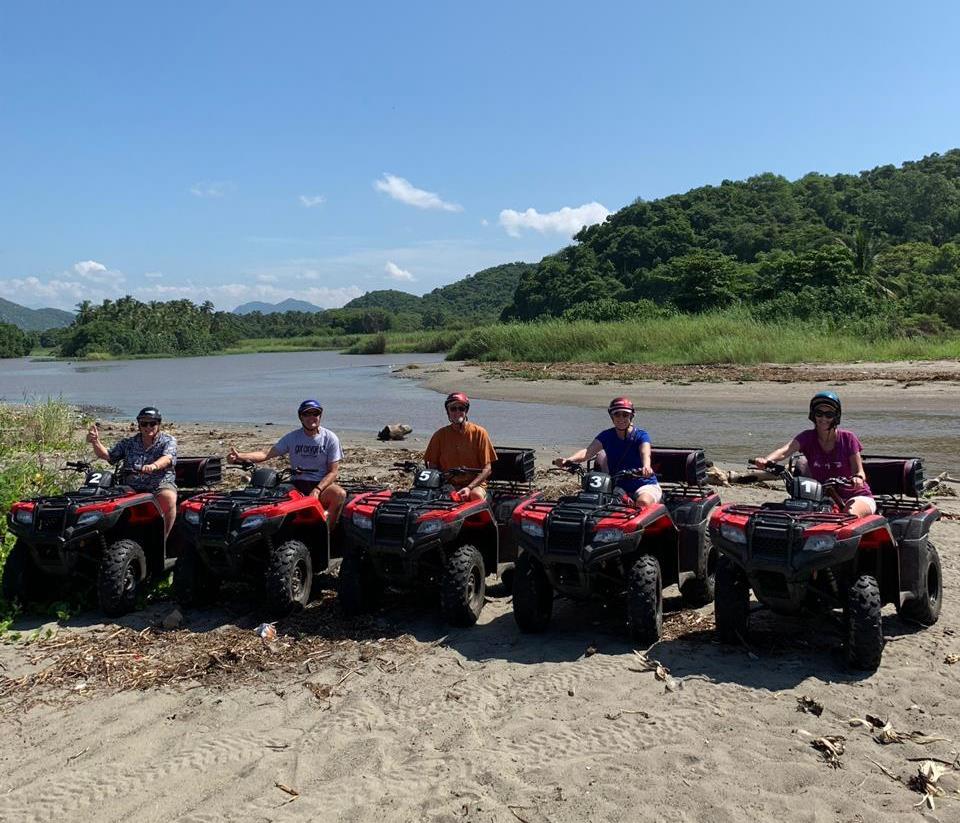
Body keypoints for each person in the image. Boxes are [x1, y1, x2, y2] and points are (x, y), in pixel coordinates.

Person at [227, 399, 346, 530]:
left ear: (320, 416)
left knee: (339, 494)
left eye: (315, 414)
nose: (312, 417)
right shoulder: (293, 437)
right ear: (301, 417)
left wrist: (317, 490)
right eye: (307, 414)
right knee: (272, 500)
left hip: (321, 485)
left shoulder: (330, 438)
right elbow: (266, 454)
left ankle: (328, 529)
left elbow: (333, 472)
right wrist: (240, 456)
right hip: (296, 484)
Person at [754, 390, 876, 517]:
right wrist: (766, 460)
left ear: (836, 417)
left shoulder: (848, 438)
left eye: (829, 415)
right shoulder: (807, 437)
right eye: (819, 413)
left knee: (848, 515)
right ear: (813, 415)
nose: (823, 418)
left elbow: (859, 471)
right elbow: (785, 451)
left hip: (855, 497)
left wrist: (858, 479)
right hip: (822, 498)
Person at [87, 406, 178, 538]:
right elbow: (108, 455)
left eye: (152, 423)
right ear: (139, 425)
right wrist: (95, 442)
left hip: (159, 484)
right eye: (144, 423)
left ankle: (163, 539)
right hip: (131, 486)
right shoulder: (129, 443)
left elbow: (168, 458)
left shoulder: (168, 441)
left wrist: (153, 466)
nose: (148, 427)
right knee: (108, 501)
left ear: (158, 424)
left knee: (168, 497)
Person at [553, 396, 663, 506]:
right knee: (596, 503)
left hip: (644, 485)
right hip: (618, 486)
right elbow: (587, 452)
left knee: (643, 502)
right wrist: (568, 460)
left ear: (631, 416)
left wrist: (646, 467)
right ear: (612, 416)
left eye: (625, 414)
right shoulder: (606, 436)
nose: (621, 418)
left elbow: (645, 452)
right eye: (617, 414)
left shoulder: (641, 435)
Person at [424, 392, 497, 502]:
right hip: (449, 484)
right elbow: (432, 466)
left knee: (475, 496)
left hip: (474, 485)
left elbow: (487, 469)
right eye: (453, 409)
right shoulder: (439, 435)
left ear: (466, 411)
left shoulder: (479, 433)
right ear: (448, 412)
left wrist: (469, 487)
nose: (457, 412)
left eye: (461, 408)